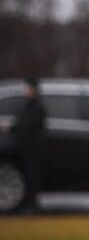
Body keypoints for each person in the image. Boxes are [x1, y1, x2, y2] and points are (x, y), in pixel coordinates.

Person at [6, 78, 46, 212]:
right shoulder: (28, 105)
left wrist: (13, 128)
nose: (27, 91)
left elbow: (28, 125)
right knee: (27, 177)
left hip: (33, 148)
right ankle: (28, 204)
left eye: (29, 88)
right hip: (25, 148)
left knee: (32, 177)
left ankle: (32, 205)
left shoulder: (36, 107)